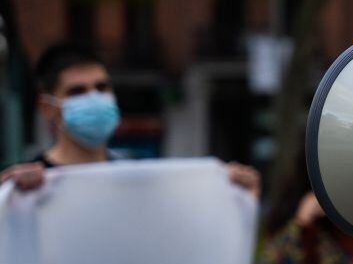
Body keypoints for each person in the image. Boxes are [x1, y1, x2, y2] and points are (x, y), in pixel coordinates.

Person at [0, 43, 260, 194]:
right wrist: (10, 196)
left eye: (102, 88)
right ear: (47, 107)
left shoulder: (137, 180)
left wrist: (229, 190)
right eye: (77, 91)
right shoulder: (26, 187)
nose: (94, 98)